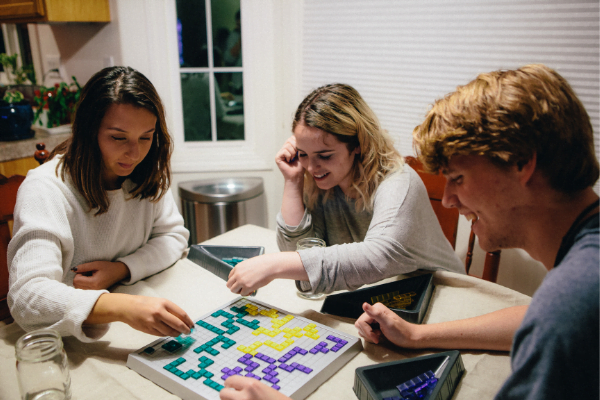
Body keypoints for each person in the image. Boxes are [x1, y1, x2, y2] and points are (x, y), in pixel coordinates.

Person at [355, 64, 599, 399]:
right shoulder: (581, 270)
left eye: (457, 178)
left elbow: (557, 316)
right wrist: (416, 335)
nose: (450, 201)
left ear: (520, 162)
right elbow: (537, 314)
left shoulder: (571, 305)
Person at [8, 66, 195, 342]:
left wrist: (121, 269)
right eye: (118, 138)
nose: (135, 153)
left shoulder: (147, 172)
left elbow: (174, 236)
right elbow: (27, 297)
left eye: (146, 137)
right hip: (64, 339)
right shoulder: (45, 188)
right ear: (88, 131)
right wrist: (121, 306)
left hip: (130, 323)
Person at [227, 83, 464, 297]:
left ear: (358, 145)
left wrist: (274, 265)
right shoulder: (319, 180)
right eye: (303, 154)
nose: (311, 167)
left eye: (325, 155)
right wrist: (293, 182)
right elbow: (300, 257)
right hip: (381, 295)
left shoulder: (400, 182)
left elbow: (376, 258)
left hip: (441, 294)